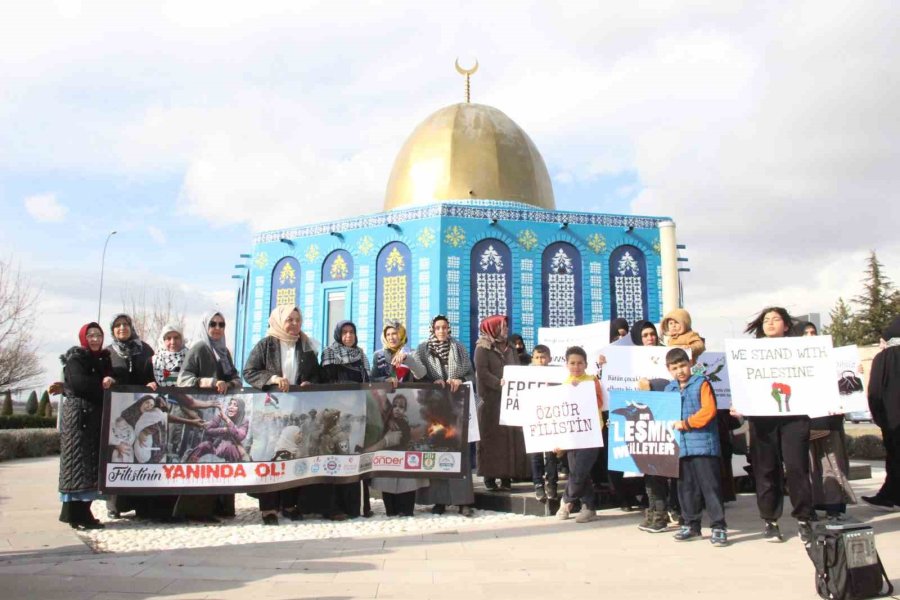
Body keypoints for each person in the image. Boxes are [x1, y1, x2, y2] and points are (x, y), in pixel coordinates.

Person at [243, 305, 332, 525]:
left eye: (297, 320)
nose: (294, 324)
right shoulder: (266, 345)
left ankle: (290, 503)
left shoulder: (306, 345)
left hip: (298, 408)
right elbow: (249, 372)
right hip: (272, 410)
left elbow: (316, 375)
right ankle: (268, 507)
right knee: (271, 454)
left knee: (295, 453)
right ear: (278, 321)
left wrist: (310, 383)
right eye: (289, 320)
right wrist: (273, 379)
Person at [741, 307, 815, 543]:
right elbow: (742, 381)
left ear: (786, 325)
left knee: (797, 468)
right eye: (766, 319)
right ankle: (770, 521)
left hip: (794, 417)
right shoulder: (748, 352)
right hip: (762, 420)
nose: (770, 323)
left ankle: (804, 518)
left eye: (776, 319)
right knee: (766, 470)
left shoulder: (801, 350)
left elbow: (815, 377)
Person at [174, 312, 243, 521]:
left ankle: (219, 506)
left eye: (221, 324)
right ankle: (196, 510)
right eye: (212, 324)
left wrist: (228, 384)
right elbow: (183, 379)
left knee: (219, 459)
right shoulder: (199, 347)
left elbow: (236, 379)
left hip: (218, 413)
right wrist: (209, 383)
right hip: (201, 414)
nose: (217, 328)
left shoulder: (223, 351)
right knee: (203, 459)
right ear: (205, 326)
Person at [415, 315, 476, 517]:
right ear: (432, 329)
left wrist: (459, 378)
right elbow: (418, 376)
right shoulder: (423, 349)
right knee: (437, 448)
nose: (441, 331)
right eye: (438, 327)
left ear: (449, 329)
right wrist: (432, 384)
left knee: (461, 452)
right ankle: (439, 500)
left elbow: (470, 374)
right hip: (434, 408)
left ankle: (463, 501)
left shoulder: (458, 348)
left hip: (457, 406)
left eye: (444, 327)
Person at [666, 348, 728, 546]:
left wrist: (685, 424)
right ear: (668, 370)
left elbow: (708, 411)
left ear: (690, 364)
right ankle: (691, 525)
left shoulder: (702, 383)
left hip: (703, 446)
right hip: (681, 449)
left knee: (710, 488)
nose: (680, 371)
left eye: (683, 365)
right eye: (675, 368)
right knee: (686, 489)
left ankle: (718, 526)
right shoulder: (669, 389)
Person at [369, 320, 429, 517]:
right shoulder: (378, 356)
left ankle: (407, 506)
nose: (392, 337)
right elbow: (370, 380)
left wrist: (408, 360)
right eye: (388, 335)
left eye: (395, 333)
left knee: (407, 460)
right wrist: (384, 381)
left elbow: (421, 374)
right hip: (386, 415)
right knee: (388, 460)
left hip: (408, 410)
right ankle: (390, 507)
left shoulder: (411, 353)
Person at [58, 322, 114, 530]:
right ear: (83, 337)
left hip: (93, 418)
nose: (95, 339)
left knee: (89, 468)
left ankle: (83, 513)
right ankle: (75, 515)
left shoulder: (103, 359)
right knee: (76, 465)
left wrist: (110, 379)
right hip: (78, 418)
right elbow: (81, 384)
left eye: (98, 335)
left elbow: (113, 378)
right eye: (90, 335)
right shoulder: (76, 359)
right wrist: (103, 385)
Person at [105, 313, 158, 519]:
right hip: (118, 410)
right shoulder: (108, 352)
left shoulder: (145, 350)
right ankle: (115, 505)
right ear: (113, 330)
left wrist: (153, 383)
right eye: (117, 325)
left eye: (125, 324)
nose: (122, 328)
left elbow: (154, 374)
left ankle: (141, 504)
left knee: (139, 453)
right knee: (121, 454)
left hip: (142, 407)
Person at [802, 326, 857, 519]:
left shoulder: (832, 360)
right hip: (804, 423)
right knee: (809, 466)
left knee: (831, 463)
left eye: (812, 332)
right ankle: (815, 503)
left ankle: (834, 506)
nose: (810, 336)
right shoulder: (794, 364)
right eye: (805, 333)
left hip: (830, 421)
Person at [320, 320, 372, 518]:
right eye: (344, 332)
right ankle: (333, 508)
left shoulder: (360, 355)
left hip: (356, 414)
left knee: (355, 455)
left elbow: (367, 383)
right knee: (335, 458)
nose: (348, 336)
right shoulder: (329, 353)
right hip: (336, 416)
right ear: (337, 334)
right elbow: (327, 383)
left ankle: (356, 507)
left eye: (352, 332)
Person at [475, 315, 529, 491]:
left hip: (509, 401)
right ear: (493, 328)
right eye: (503, 326)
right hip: (490, 402)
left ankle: (507, 476)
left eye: (506, 326)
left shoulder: (511, 347)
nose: (506, 329)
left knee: (509, 439)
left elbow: (517, 369)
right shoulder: (482, 347)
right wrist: (498, 383)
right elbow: (482, 372)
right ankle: (489, 477)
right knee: (490, 440)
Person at [633, 320, 678, 533]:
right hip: (641, 420)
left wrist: (652, 385)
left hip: (663, 418)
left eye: (652, 334)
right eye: (645, 335)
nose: (650, 338)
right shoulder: (629, 360)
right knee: (648, 471)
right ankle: (653, 511)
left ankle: (662, 514)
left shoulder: (667, 357)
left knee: (658, 469)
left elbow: (674, 383)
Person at [556, 346, 604, 523]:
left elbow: (599, 403)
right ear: (567, 364)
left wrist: (581, 391)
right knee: (580, 472)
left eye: (580, 363)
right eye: (572, 363)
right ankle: (589, 507)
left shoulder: (592, 380)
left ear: (586, 364)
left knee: (579, 471)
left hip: (591, 432)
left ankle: (566, 501)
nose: (576, 367)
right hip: (572, 435)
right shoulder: (564, 384)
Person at [864, 316, 900, 509]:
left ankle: (890, 495)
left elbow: (875, 391)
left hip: (893, 419)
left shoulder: (884, 358)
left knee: (895, 457)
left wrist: (878, 416)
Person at [529, 344, 559, 502]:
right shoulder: (525, 374)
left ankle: (552, 484)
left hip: (551, 418)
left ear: (550, 358)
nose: (540, 360)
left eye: (543, 357)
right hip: (533, 418)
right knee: (535, 454)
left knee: (551, 454)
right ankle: (538, 484)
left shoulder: (557, 374)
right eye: (537, 358)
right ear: (532, 359)